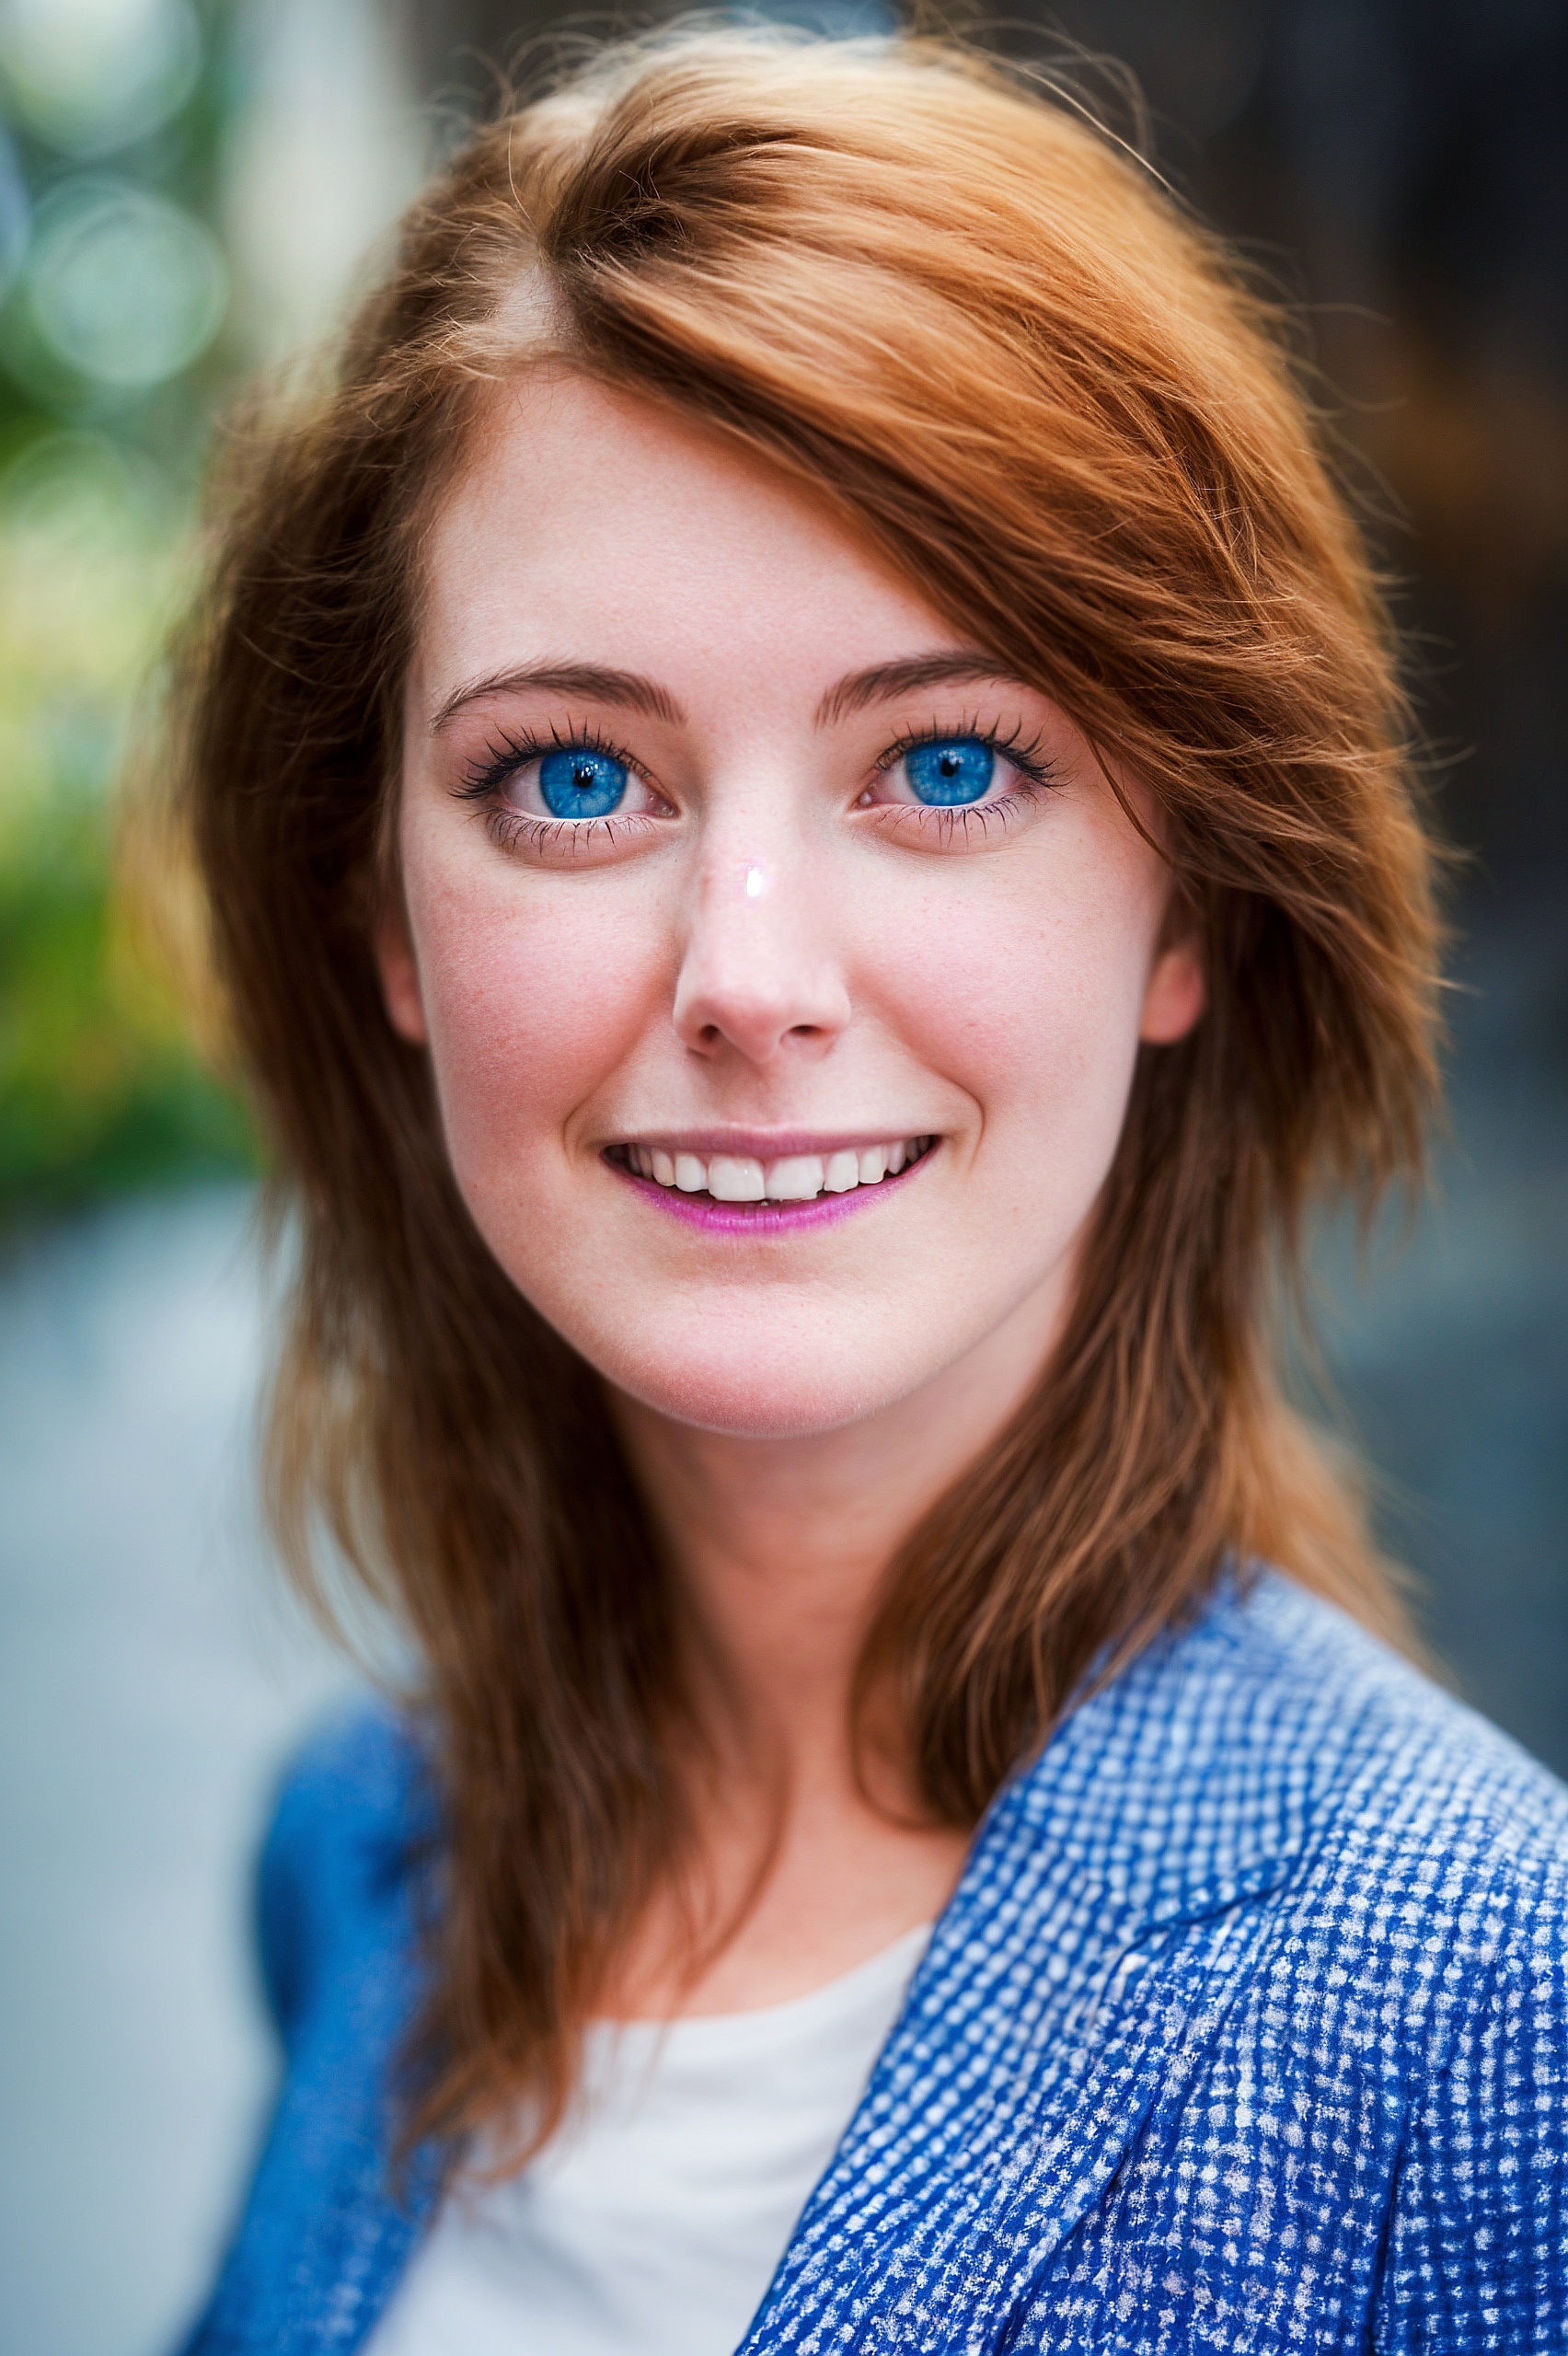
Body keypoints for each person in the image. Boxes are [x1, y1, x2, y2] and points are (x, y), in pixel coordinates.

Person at [170, 27, 1567, 2354]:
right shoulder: (368, 1851)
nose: (750, 977)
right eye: (575, 778)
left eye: (943, 761)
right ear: (381, 919)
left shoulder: (1483, 2014)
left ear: (1193, 906)